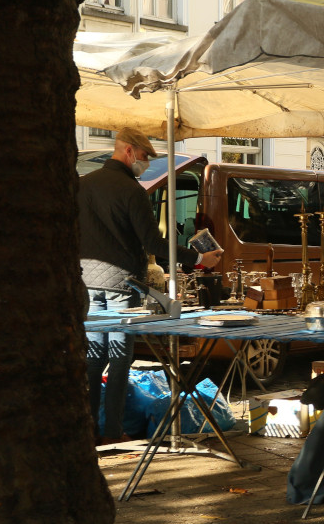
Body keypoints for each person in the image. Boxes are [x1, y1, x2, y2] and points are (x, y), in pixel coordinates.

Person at [80, 127, 223, 444]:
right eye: (145, 156)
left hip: (86, 283)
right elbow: (151, 241)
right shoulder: (132, 191)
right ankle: (112, 432)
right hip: (121, 283)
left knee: (92, 358)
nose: (146, 163)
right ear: (128, 151)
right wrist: (197, 259)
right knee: (119, 359)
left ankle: (86, 430)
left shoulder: (82, 185)